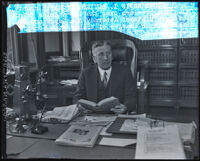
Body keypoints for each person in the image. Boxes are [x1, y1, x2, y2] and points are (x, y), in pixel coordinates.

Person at [74, 40, 136, 114]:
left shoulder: (124, 71)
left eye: (108, 53)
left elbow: (131, 97)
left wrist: (125, 107)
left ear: (112, 55)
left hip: (117, 115)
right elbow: (77, 97)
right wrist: (79, 106)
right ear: (94, 59)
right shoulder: (86, 73)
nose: (106, 58)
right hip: (92, 116)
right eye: (101, 54)